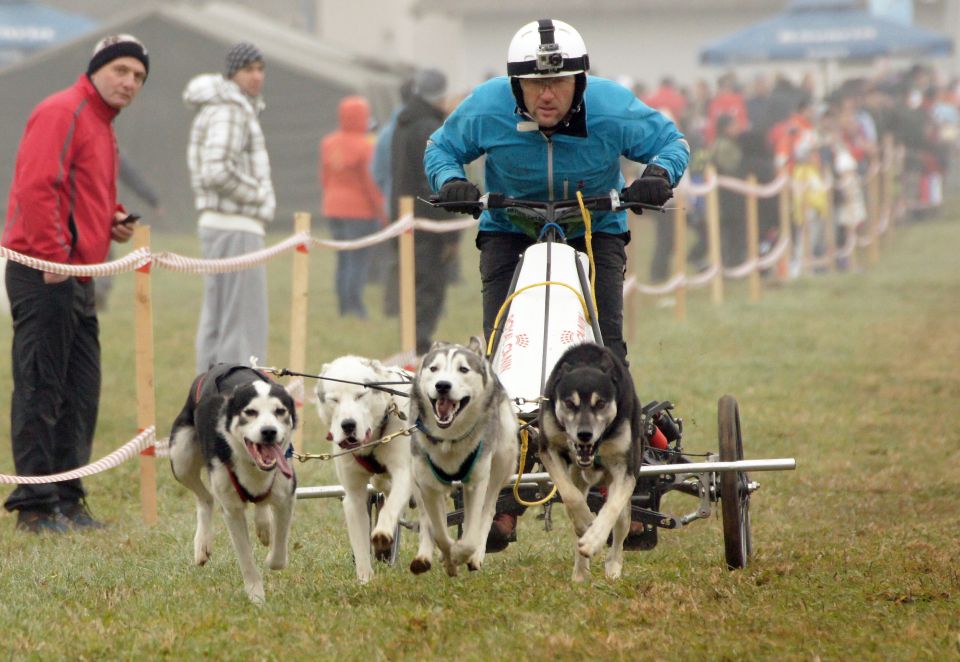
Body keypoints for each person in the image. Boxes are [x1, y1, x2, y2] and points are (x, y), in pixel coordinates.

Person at [424, 19, 689, 550]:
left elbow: (670, 141)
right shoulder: (486, 105)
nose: (547, 95)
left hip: (595, 229)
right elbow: (440, 147)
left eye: (561, 82)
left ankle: (625, 493)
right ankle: (499, 502)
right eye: (534, 84)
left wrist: (660, 176)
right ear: (515, 85)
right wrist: (450, 181)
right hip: (508, 230)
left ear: (581, 83)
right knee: (501, 359)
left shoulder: (612, 108)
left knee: (607, 353)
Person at [1, 34, 149, 533]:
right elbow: (39, 184)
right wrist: (50, 257)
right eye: (121, 70)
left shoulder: (102, 125)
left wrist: (114, 218)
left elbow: (84, 190)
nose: (129, 82)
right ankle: (36, 506)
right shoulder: (61, 111)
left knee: (81, 390)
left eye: (138, 77)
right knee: (42, 387)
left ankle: (67, 497)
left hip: (80, 274)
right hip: (44, 270)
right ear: (97, 68)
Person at [184, 42, 275, 374]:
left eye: (260, 68)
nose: (256, 76)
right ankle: (237, 392)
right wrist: (260, 193)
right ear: (232, 73)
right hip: (235, 225)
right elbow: (217, 170)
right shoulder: (231, 109)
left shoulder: (222, 107)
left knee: (219, 319)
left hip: (221, 225)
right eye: (248, 69)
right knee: (241, 322)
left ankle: (208, 395)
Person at [392, 68, 461, 355]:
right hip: (428, 222)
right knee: (429, 286)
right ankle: (419, 345)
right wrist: (449, 234)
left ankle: (415, 340)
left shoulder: (404, 123)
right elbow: (430, 180)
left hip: (406, 216)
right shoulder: (427, 128)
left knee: (415, 284)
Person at [319, 95, 384, 318]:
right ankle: (355, 308)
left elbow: (324, 177)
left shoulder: (328, 142)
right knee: (358, 261)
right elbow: (371, 183)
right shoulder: (366, 146)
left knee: (343, 260)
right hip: (360, 211)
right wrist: (381, 210)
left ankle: (343, 307)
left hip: (333, 208)